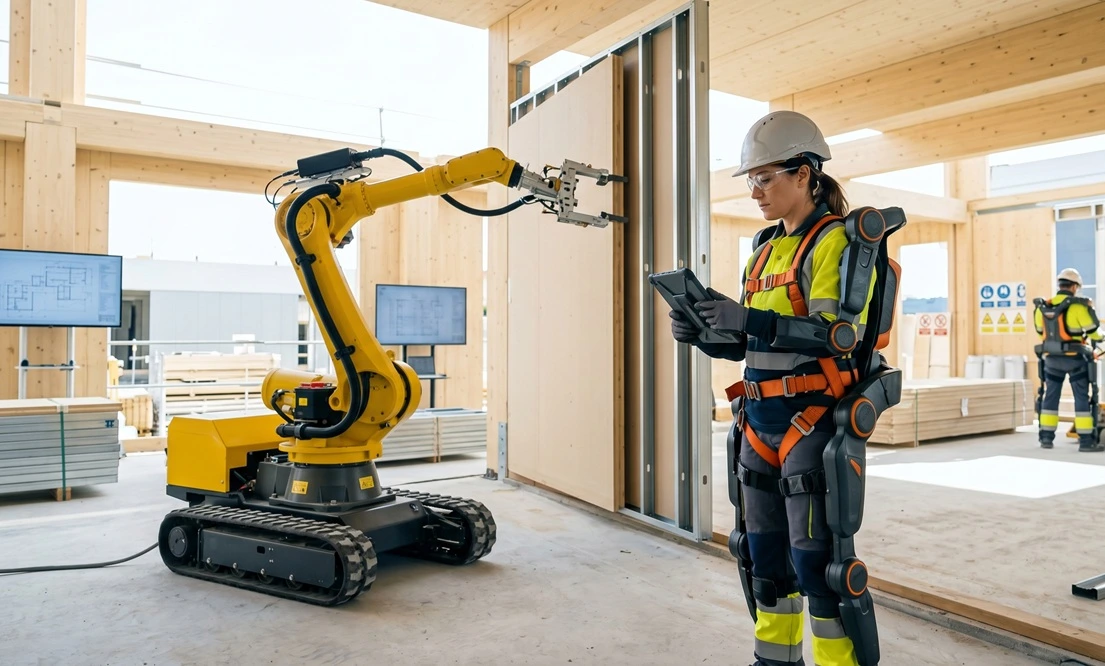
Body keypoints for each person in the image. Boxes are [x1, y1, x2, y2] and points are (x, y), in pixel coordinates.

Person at [670, 110, 879, 666]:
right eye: (751, 179)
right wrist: (704, 334)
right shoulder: (763, 249)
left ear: (806, 172)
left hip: (810, 418)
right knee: (762, 557)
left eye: (766, 177)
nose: (756, 190)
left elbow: (838, 337)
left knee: (817, 562)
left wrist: (750, 320)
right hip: (758, 422)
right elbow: (749, 348)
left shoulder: (835, 242)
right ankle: (774, 660)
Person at [1033, 268, 1105, 452]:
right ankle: (1086, 442)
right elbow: (1094, 332)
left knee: (1050, 397)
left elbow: (1041, 332)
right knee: (1081, 398)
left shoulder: (1042, 307)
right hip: (1075, 360)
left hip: (1051, 361)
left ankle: (1046, 438)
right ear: (1074, 286)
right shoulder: (1079, 306)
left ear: (1060, 285)